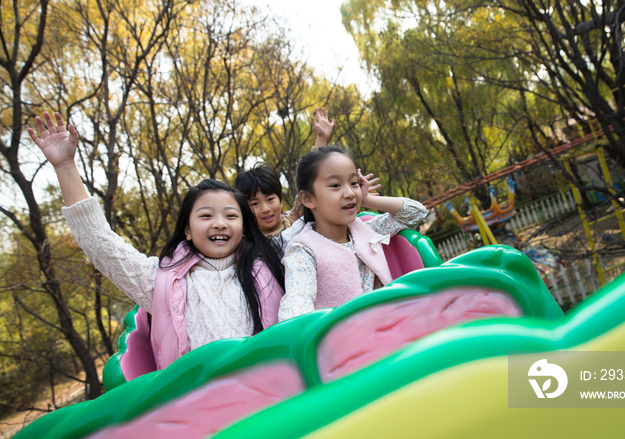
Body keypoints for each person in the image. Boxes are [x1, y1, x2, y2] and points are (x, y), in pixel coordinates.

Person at [28, 112, 285, 370]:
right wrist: (65, 167)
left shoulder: (272, 260)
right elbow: (101, 245)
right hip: (197, 402)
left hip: (274, 394)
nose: (219, 223)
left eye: (230, 215)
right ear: (187, 230)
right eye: (206, 215)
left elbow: (318, 220)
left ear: (243, 226)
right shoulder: (160, 281)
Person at [278, 146, 427, 321]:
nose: (349, 193)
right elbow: (296, 313)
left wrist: (368, 199)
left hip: (393, 322)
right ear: (308, 199)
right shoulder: (303, 251)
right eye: (335, 185)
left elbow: (417, 212)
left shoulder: (367, 230)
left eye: (354, 183)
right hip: (349, 341)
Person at [235, 107, 378, 255]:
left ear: (281, 200)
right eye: (254, 204)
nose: (265, 208)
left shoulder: (293, 222)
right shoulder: (246, 242)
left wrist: (321, 139)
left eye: (270, 199)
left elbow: (312, 181)